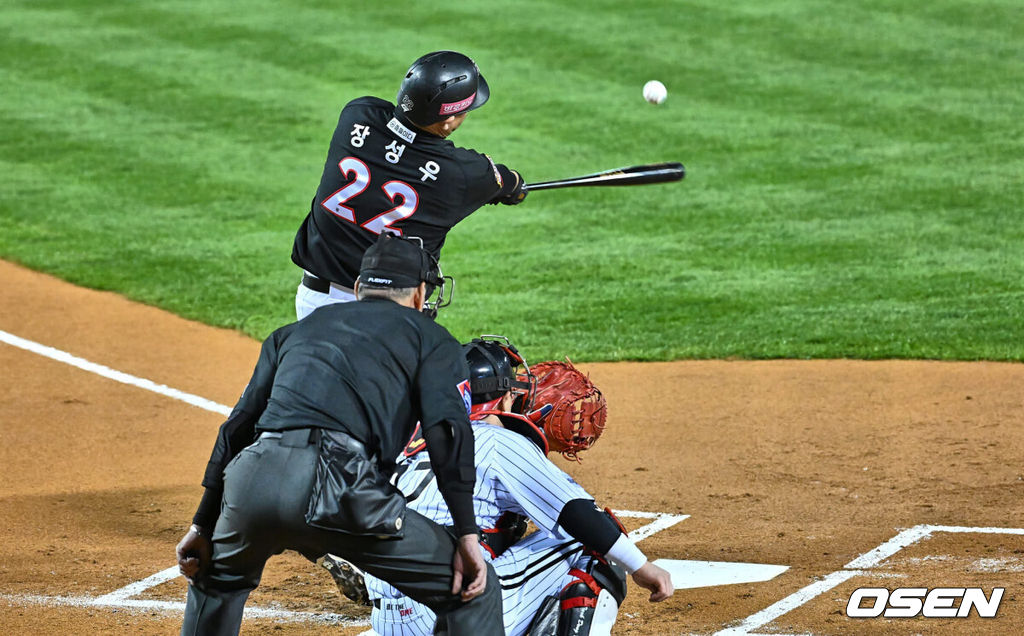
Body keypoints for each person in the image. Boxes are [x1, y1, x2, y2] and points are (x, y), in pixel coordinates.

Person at [175, 234, 503, 635]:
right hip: (343, 491)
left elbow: (237, 428)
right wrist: (467, 535)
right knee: (473, 588)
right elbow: (447, 436)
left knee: (214, 583)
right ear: (419, 293)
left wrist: (203, 524)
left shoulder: (292, 332)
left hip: (252, 482)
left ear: (360, 288)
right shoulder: (433, 339)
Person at [321, 337, 674, 636]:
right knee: (598, 543)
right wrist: (644, 569)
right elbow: (578, 512)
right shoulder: (495, 443)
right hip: (451, 616)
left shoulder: (410, 436)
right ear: (503, 398)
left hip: (390, 619)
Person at [292, 50, 528, 319]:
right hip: (389, 316)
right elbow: (509, 182)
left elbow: (394, 136)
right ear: (449, 119)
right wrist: (513, 190)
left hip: (314, 302)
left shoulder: (356, 114)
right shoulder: (463, 173)